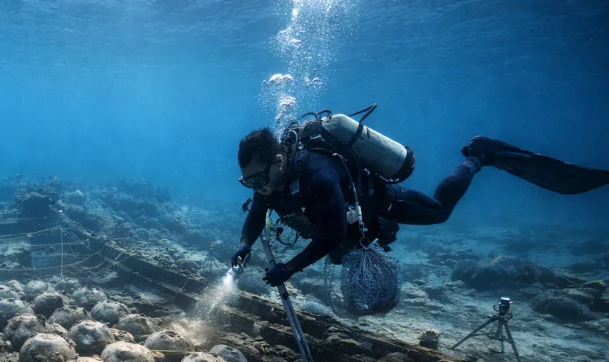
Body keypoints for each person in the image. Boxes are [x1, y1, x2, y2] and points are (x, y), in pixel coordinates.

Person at [232, 128, 609, 287]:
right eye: (248, 182)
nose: (257, 187)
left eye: (258, 178)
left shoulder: (317, 174)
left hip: (380, 203)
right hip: (342, 216)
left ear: (280, 161)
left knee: (440, 210)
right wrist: (245, 245)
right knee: (342, 254)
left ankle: (478, 157)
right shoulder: (272, 180)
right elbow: (257, 211)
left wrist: (290, 268)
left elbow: (333, 231)